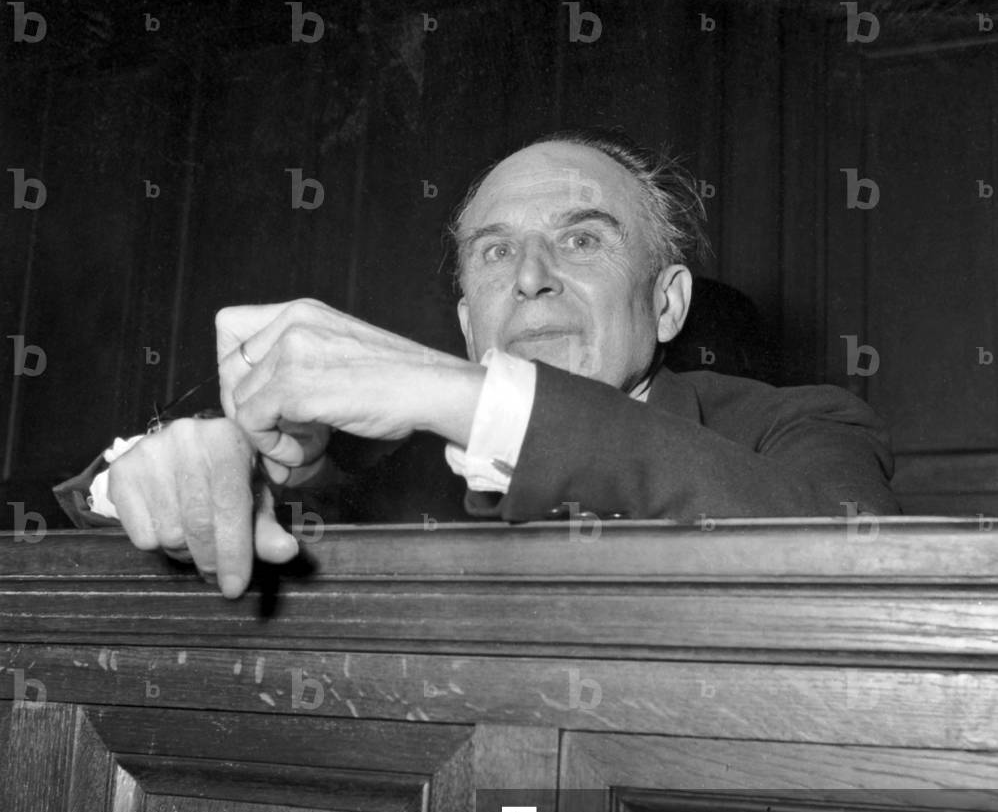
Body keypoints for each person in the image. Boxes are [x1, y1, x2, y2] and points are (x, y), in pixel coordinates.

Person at [54, 128, 898, 598]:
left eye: (581, 239)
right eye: (495, 254)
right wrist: (176, 474)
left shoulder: (804, 424)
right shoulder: (391, 476)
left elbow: (873, 583)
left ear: (668, 302)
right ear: (467, 321)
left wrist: (478, 398)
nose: (531, 277)